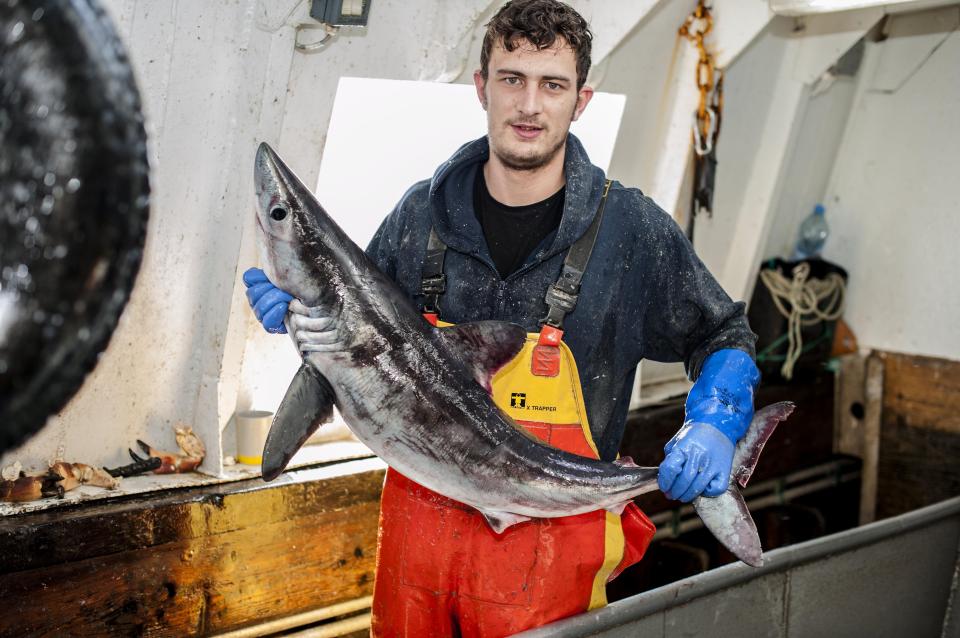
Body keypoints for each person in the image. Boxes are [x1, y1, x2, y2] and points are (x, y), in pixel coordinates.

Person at [244, 1, 759, 635]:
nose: (529, 105)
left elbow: (723, 334)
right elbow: (357, 342)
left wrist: (714, 421)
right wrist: (302, 322)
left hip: (552, 547)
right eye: (512, 79)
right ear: (481, 87)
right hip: (418, 547)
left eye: (553, 85)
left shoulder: (630, 232)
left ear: (582, 100)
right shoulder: (419, 218)